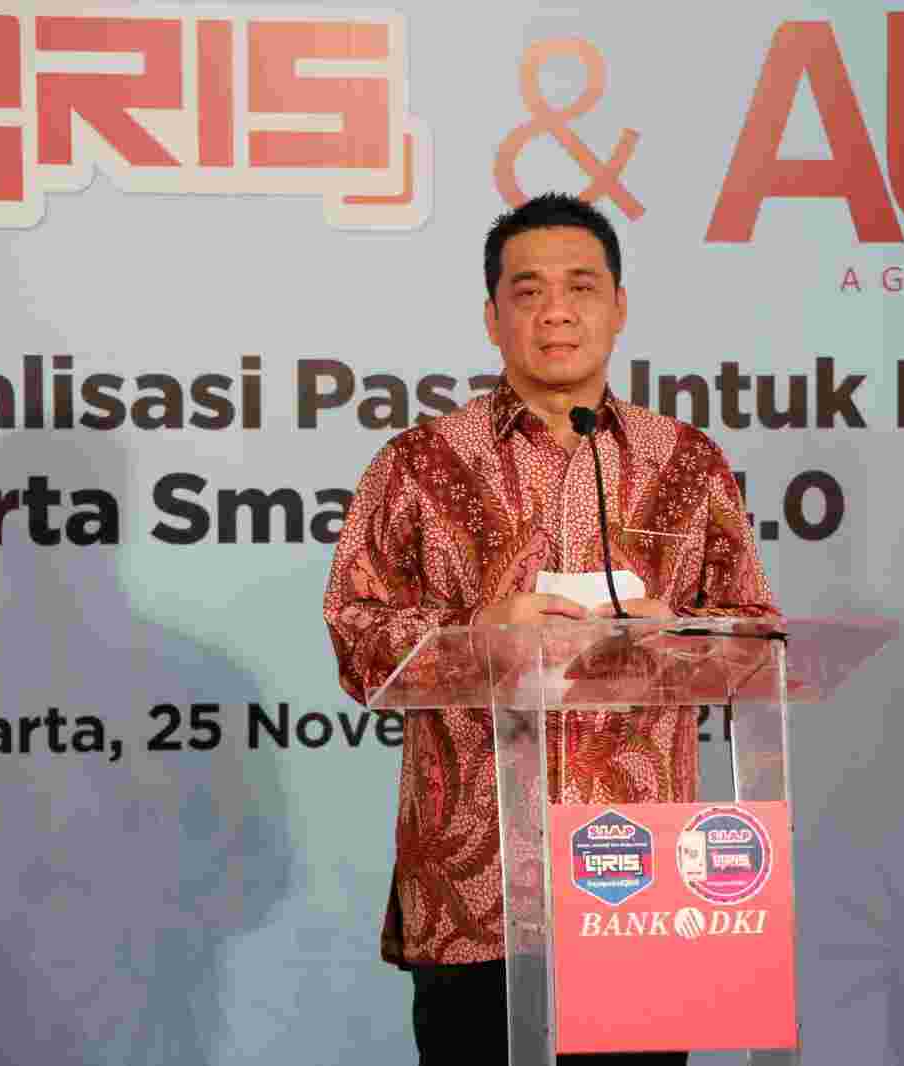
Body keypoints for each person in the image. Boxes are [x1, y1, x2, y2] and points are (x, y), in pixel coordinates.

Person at [323, 192, 778, 1064]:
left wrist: (676, 632)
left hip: (642, 883)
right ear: (491, 317)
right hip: (476, 887)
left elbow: (756, 640)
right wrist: (476, 630)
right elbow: (355, 635)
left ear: (619, 306)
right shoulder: (416, 462)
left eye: (581, 286)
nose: (557, 311)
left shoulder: (688, 461)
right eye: (527, 292)